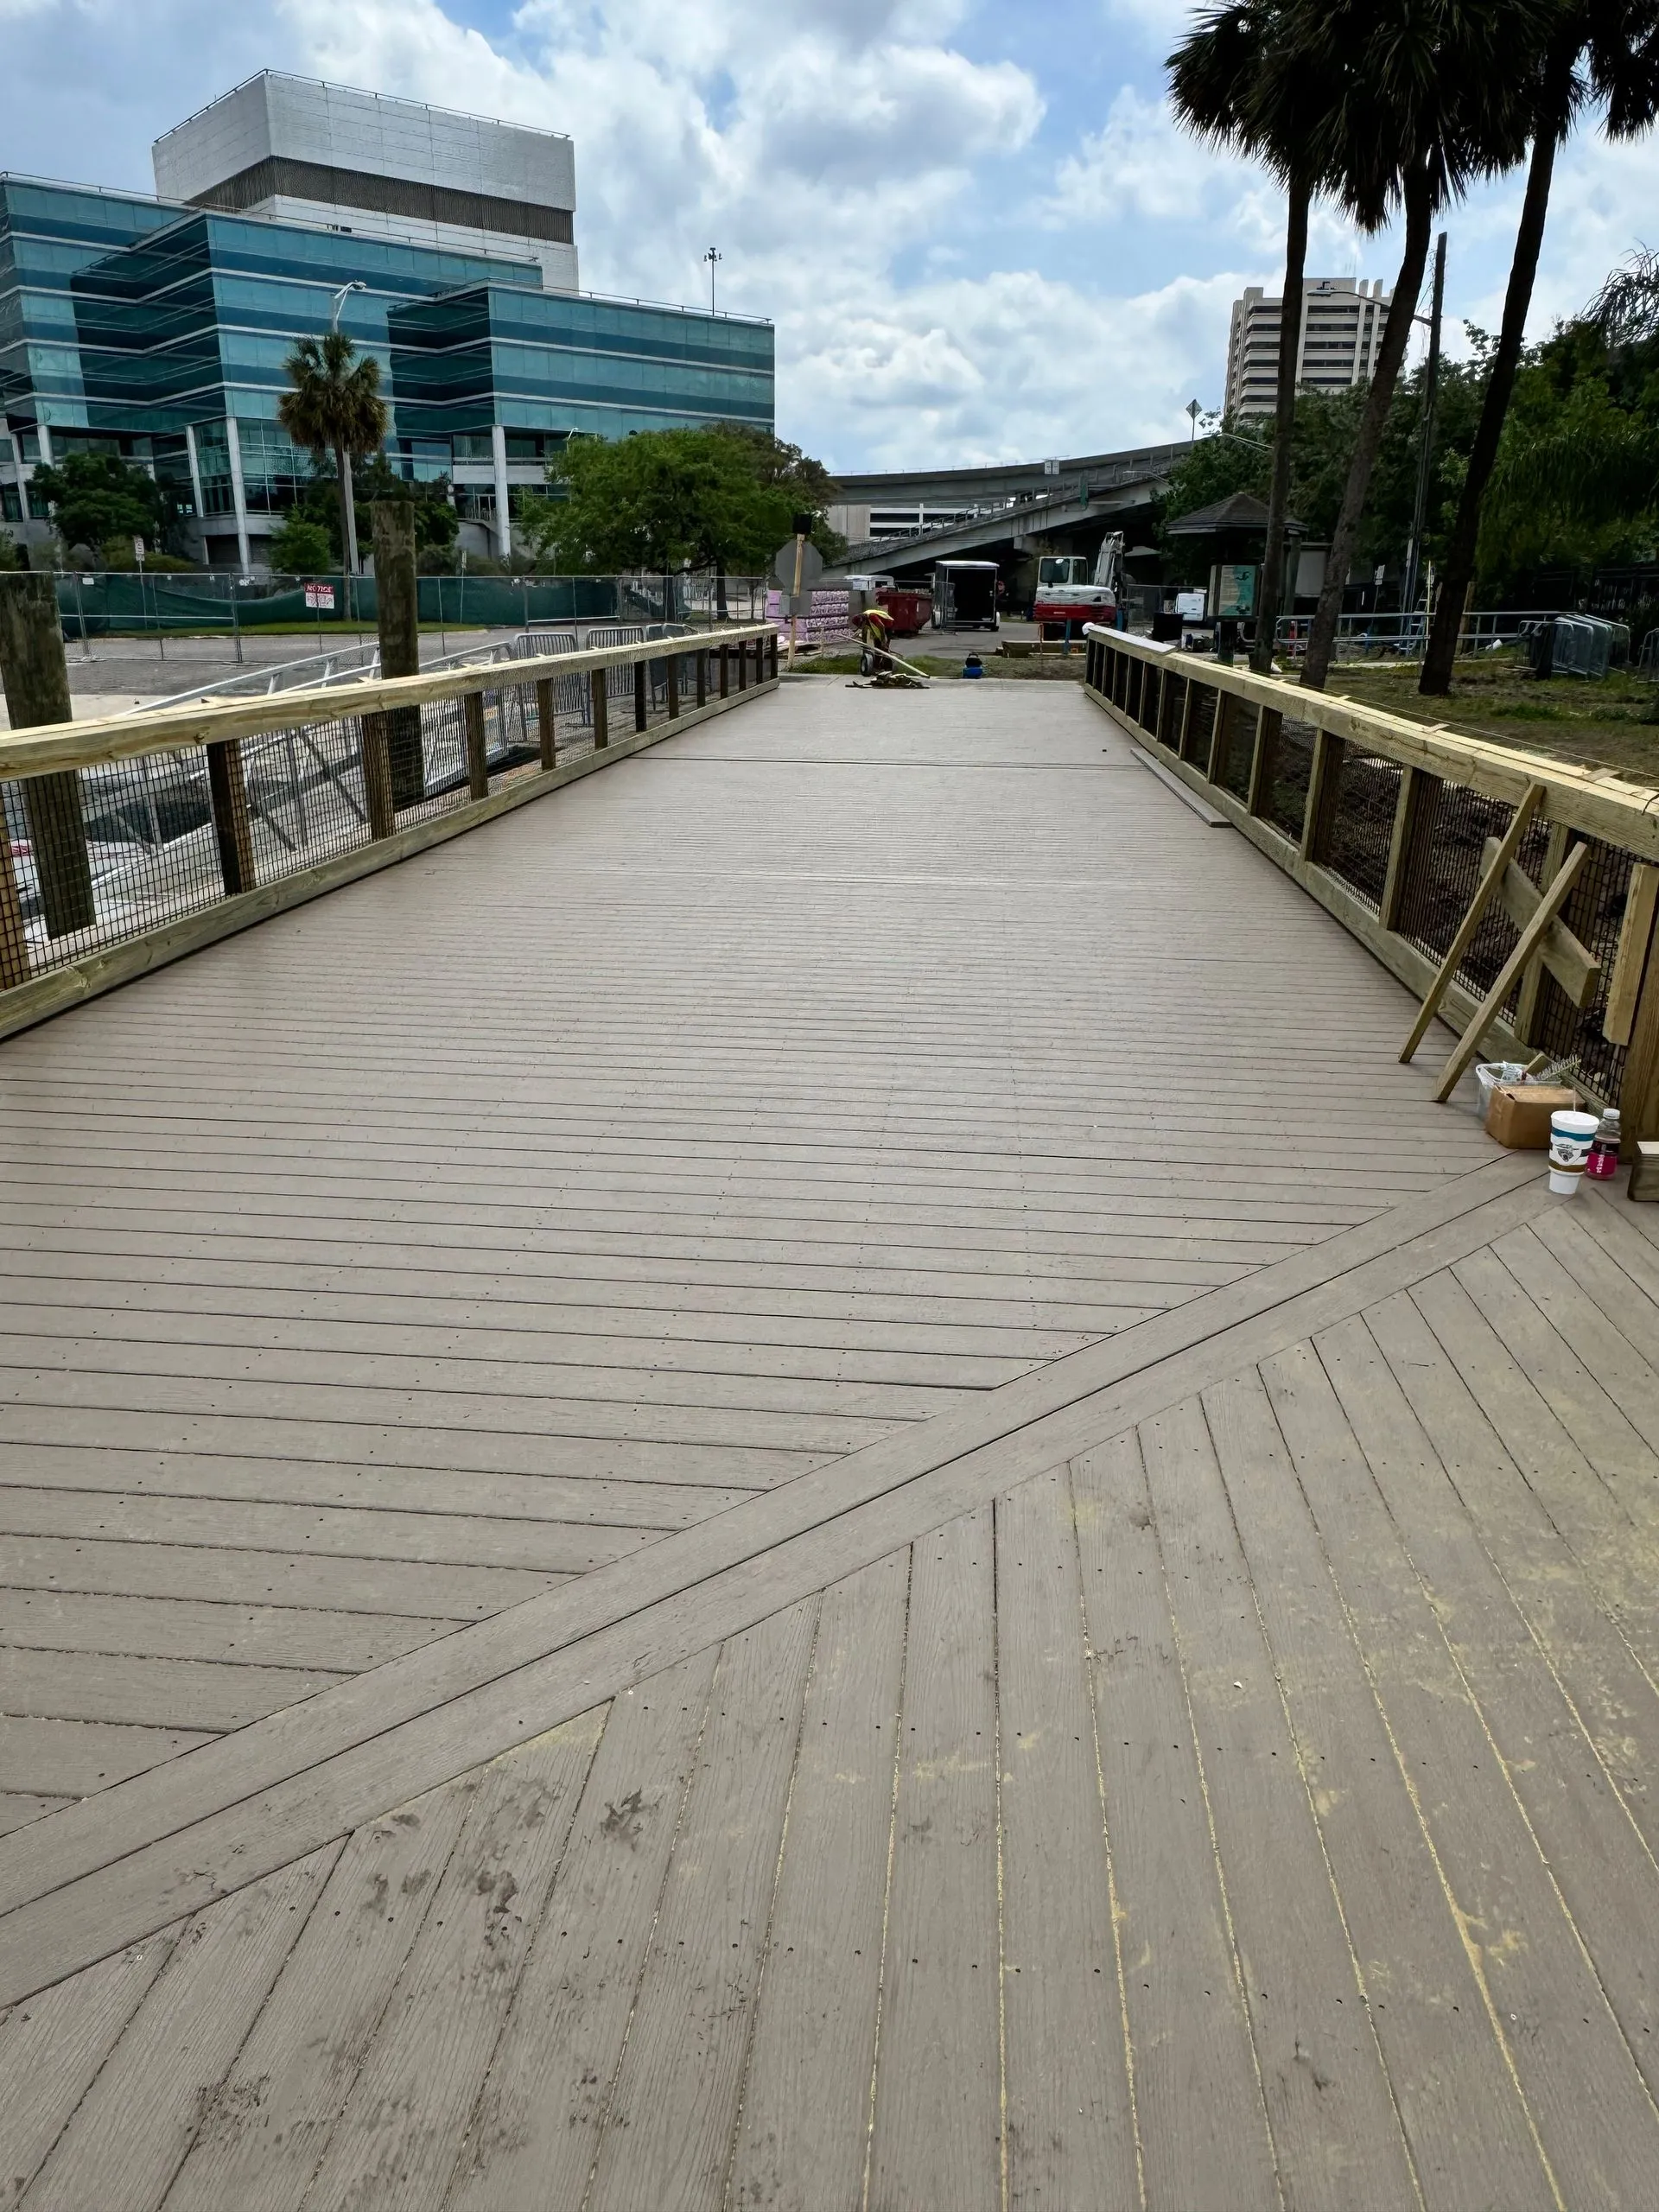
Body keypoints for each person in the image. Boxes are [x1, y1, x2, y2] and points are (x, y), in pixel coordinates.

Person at [860, 604, 896, 677]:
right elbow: (864, 630)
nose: (862, 626)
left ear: (864, 621)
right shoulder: (865, 617)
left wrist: (883, 640)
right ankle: (876, 666)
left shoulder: (872, 617)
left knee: (884, 647)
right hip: (879, 626)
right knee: (877, 648)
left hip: (887, 626)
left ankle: (885, 665)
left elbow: (881, 626)